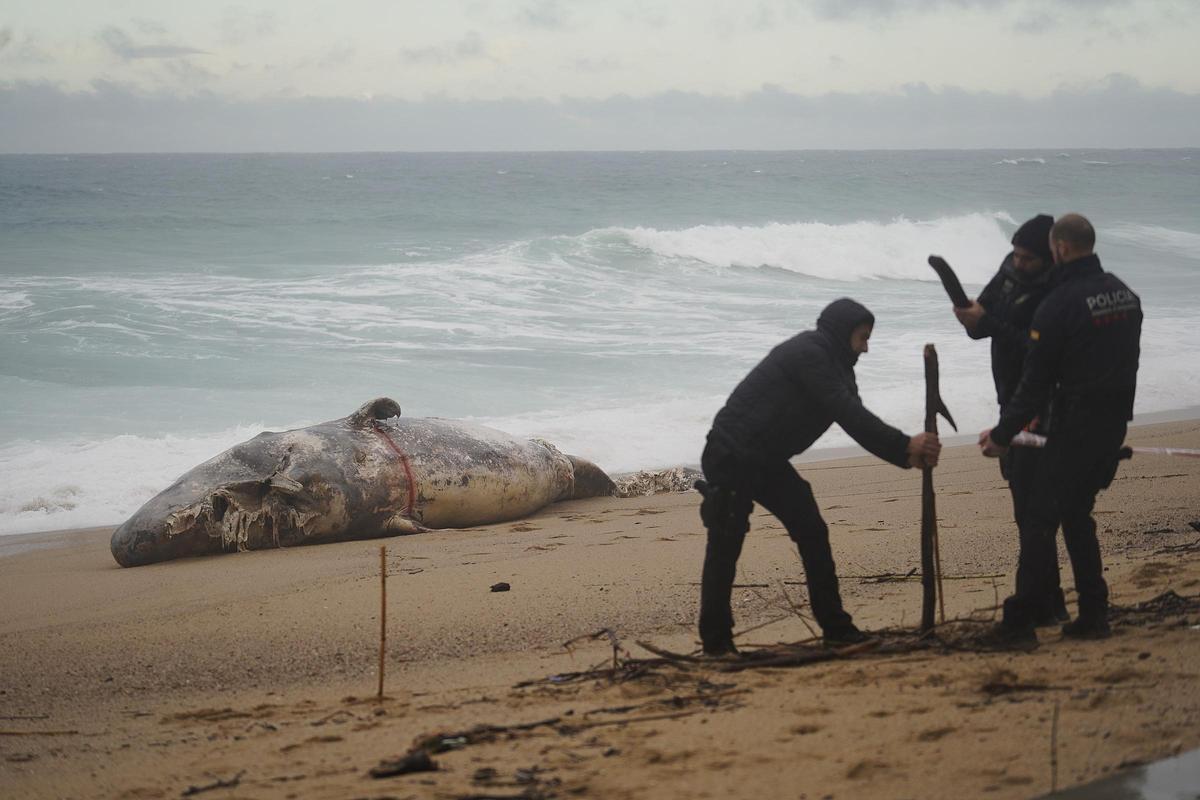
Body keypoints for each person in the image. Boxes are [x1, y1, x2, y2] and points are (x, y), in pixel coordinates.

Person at [696, 298, 941, 655]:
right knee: (726, 543)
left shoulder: (839, 367)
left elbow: (857, 418)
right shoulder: (810, 354)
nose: (867, 347)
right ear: (843, 332)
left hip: (765, 460)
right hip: (731, 453)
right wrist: (906, 446)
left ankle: (837, 628)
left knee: (811, 529)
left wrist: (906, 453)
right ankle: (717, 644)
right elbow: (848, 414)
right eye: (862, 337)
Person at [980, 214, 1142, 641]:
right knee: (1075, 514)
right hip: (1113, 423)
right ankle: (1093, 614)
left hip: (1072, 427)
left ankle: (1019, 624)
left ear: (1061, 249)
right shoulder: (1124, 294)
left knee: (1037, 521)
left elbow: (1033, 385)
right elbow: (1129, 366)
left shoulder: (1058, 305)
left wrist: (1001, 435)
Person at [953, 214, 1068, 626]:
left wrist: (988, 324)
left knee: (1036, 511)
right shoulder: (1008, 272)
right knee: (1026, 509)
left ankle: (1036, 606)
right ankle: (1050, 602)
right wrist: (972, 318)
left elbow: (1039, 349)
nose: (1018, 264)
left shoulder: (1057, 291)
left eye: (1028, 259)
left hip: (1043, 406)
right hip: (1010, 399)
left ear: (1050, 258)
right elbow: (980, 326)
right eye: (1015, 255)